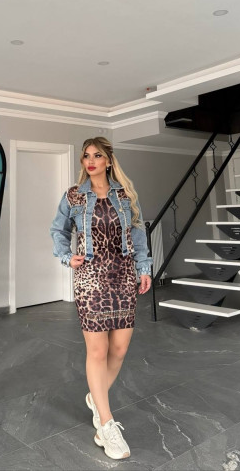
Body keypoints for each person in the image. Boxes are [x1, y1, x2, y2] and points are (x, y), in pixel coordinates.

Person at [50, 137, 152, 460]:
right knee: (98, 350)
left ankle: (96, 397)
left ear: (108, 160)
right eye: (86, 156)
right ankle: (106, 426)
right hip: (91, 279)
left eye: (97, 155)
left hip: (123, 276)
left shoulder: (126, 195)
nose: (91, 160)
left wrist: (144, 268)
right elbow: (58, 231)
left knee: (119, 349)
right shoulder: (74, 196)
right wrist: (66, 256)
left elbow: (138, 232)